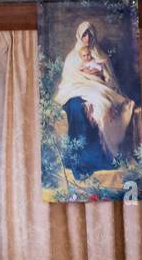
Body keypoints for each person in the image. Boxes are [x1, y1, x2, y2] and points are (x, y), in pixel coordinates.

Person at [53, 20, 136, 179]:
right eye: (84, 34)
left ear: (94, 36)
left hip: (99, 92)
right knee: (77, 108)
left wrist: (99, 77)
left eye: (90, 34)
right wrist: (85, 81)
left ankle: (97, 160)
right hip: (75, 92)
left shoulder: (101, 56)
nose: (87, 38)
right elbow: (68, 81)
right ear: (79, 35)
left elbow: (110, 81)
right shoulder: (72, 57)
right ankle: (79, 162)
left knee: (100, 108)